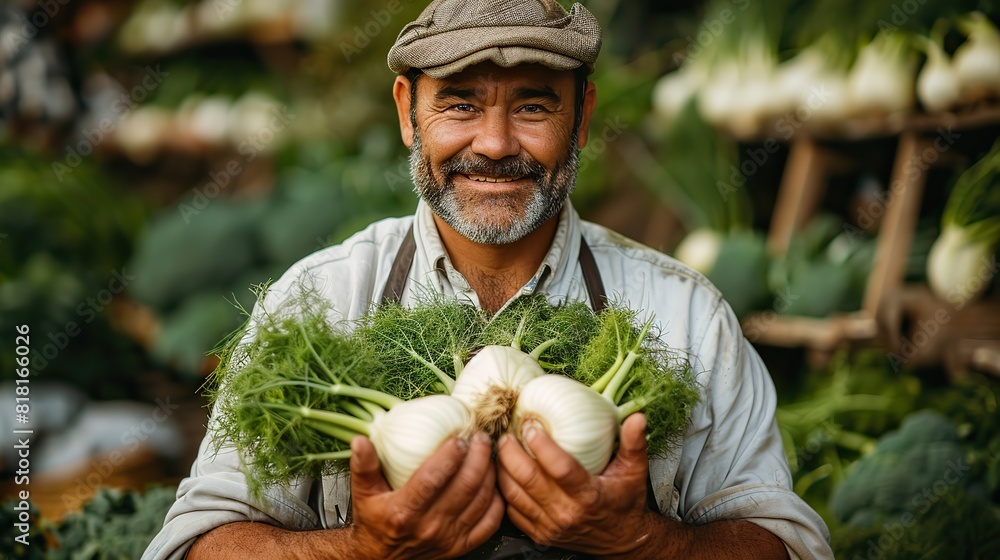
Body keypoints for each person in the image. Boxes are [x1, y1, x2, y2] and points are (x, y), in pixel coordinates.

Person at [144, 1, 833, 558]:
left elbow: (789, 544)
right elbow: (195, 543)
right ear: (407, 112)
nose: (496, 144)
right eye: (461, 105)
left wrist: (643, 542)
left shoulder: (685, 315)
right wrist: (359, 548)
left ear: (582, 117)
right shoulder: (320, 301)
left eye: (533, 107)